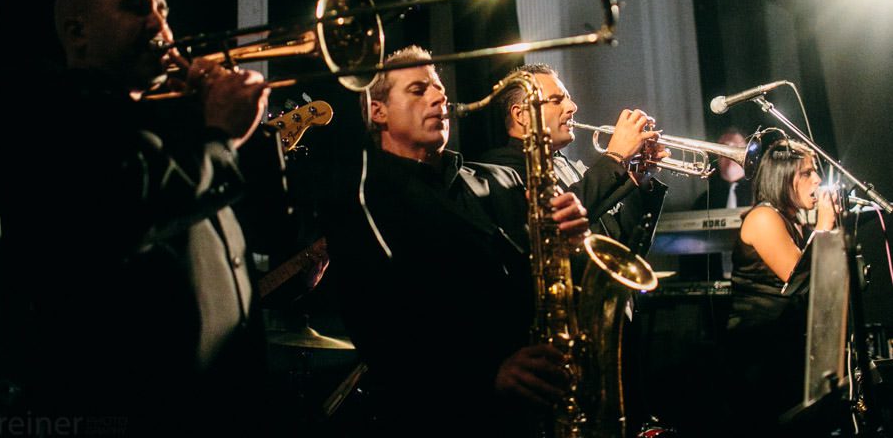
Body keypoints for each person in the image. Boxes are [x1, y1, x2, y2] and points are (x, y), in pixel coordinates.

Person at [0, 0, 271, 436]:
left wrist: (204, 123)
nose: (160, 26)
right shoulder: (48, 108)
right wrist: (220, 135)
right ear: (78, 33)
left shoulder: (157, 123)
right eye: (137, 7)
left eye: (163, 10)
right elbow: (125, 212)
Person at [319, 46, 592, 434]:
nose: (438, 96)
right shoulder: (365, 203)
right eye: (417, 90)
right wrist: (489, 375)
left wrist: (571, 243)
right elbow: (383, 335)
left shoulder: (503, 180)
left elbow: (554, 282)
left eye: (438, 88)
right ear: (377, 110)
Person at [480, 63, 668, 258]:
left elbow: (627, 251)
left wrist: (640, 179)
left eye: (568, 99)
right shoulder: (500, 169)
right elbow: (552, 224)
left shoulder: (572, 168)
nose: (572, 107)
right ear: (522, 115)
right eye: (556, 100)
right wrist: (615, 157)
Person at [724, 138, 836, 436]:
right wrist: (824, 226)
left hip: (783, 348)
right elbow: (800, 281)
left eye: (816, 171)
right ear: (783, 177)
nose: (818, 179)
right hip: (760, 356)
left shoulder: (793, 220)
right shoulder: (763, 217)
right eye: (807, 173)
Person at [692, 126, 752, 210]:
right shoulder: (704, 201)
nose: (731, 154)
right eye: (724, 148)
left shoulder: (760, 196)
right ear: (717, 155)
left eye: (737, 148)